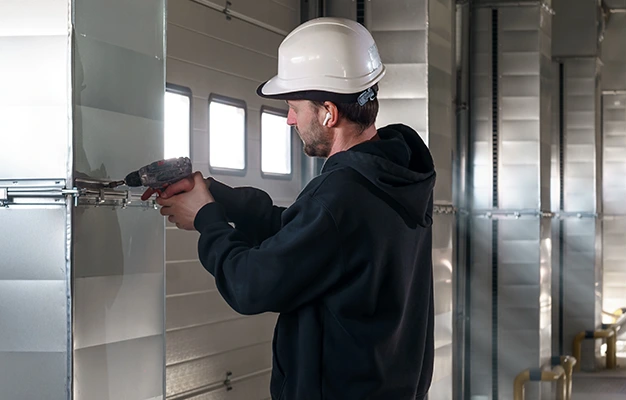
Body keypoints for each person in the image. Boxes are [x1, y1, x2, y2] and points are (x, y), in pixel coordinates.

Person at [147, 17, 435, 399]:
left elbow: (250, 284)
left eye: (295, 107)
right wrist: (214, 195)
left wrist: (207, 219)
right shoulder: (395, 175)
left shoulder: (342, 196)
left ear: (329, 113)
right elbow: (304, 235)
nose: (289, 119)